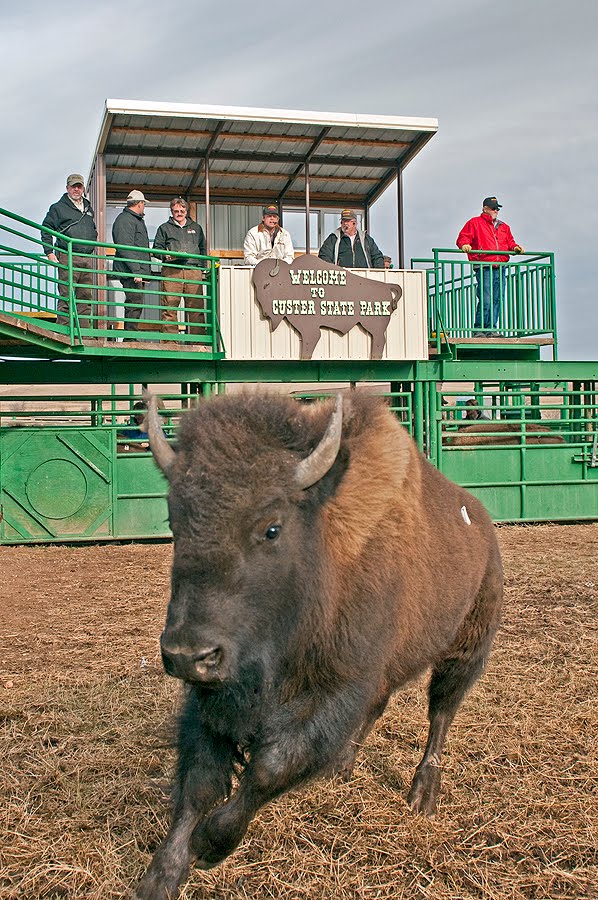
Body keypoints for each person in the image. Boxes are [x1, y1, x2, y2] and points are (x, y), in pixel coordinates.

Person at [456, 197, 524, 336]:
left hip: (500, 265)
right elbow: (463, 237)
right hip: (484, 265)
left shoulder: (504, 226)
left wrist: (516, 247)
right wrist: (465, 245)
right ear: (485, 208)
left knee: (497, 298)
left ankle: (491, 328)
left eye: (497, 209)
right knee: (486, 297)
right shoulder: (475, 222)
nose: (496, 211)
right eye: (493, 208)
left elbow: (509, 242)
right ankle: (479, 329)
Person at [41, 174, 98, 329]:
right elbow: (46, 229)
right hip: (68, 255)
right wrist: (49, 252)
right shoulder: (58, 208)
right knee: (66, 296)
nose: (76, 189)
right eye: (73, 186)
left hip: (87, 257)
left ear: (83, 188)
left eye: (79, 186)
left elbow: (92, 228)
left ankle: (84, 334)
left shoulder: (87, 206)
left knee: (85, 298)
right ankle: (64, 332)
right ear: (67, 188)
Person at [153, 198, 207, 342]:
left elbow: (203, 249)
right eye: (176, 211)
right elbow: (156, 249)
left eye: (182, 211)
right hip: (172, 270)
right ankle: (170, 341)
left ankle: (198, 341)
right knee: (169, 307)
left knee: (196, 308)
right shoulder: (164, 228)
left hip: (193, 271)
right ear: (171, 211)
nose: (179, 213)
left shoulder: (196, 228)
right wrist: (166, 255)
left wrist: (203, 268)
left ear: (186, 211)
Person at [112, 190, 150, 337]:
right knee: (134, 303)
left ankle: (131, 336)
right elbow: (125, 247)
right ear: (139, 204)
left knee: (135, 303)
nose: (144, 207)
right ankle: (130, 337)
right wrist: (137, 271)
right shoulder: (126, 220)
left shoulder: (132, 220)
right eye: (143, 204)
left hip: (135, 271)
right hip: (132, 272)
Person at [318, 209, 384, 269]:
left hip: (364, 278)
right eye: (343, 221)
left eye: (348, 221)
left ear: (354, 223)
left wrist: (378, 275)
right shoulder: (333, 238)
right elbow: (324, 256)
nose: (345, 223)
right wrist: (334, 271)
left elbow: (377, 257)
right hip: (342, 279)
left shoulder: (366, 239)